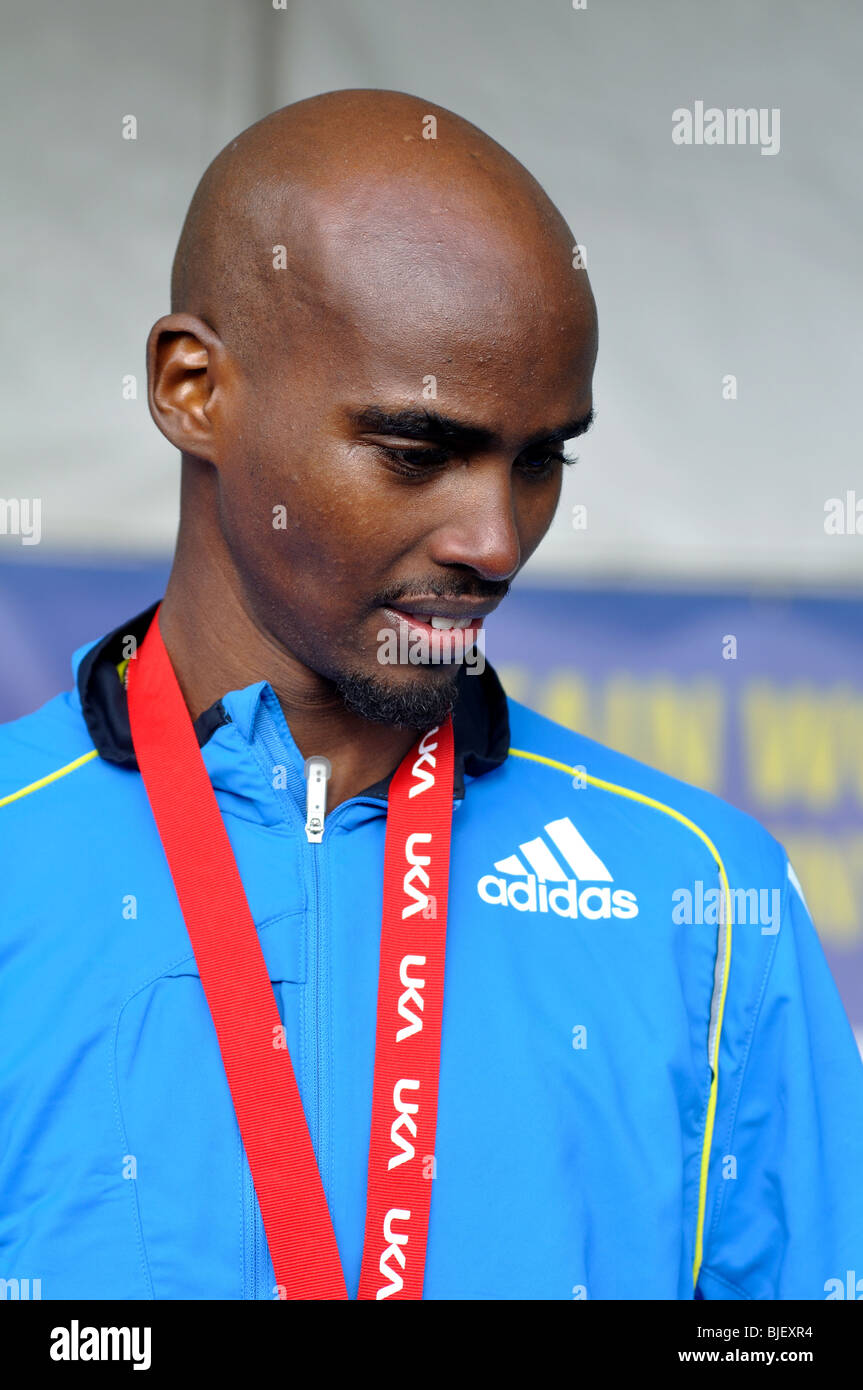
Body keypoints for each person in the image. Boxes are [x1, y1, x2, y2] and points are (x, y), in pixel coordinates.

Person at [1, 88, 861, 1302]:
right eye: (416, 451)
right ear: (192, 388)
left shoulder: (707, 901)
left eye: (540, 459)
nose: (496, 541)